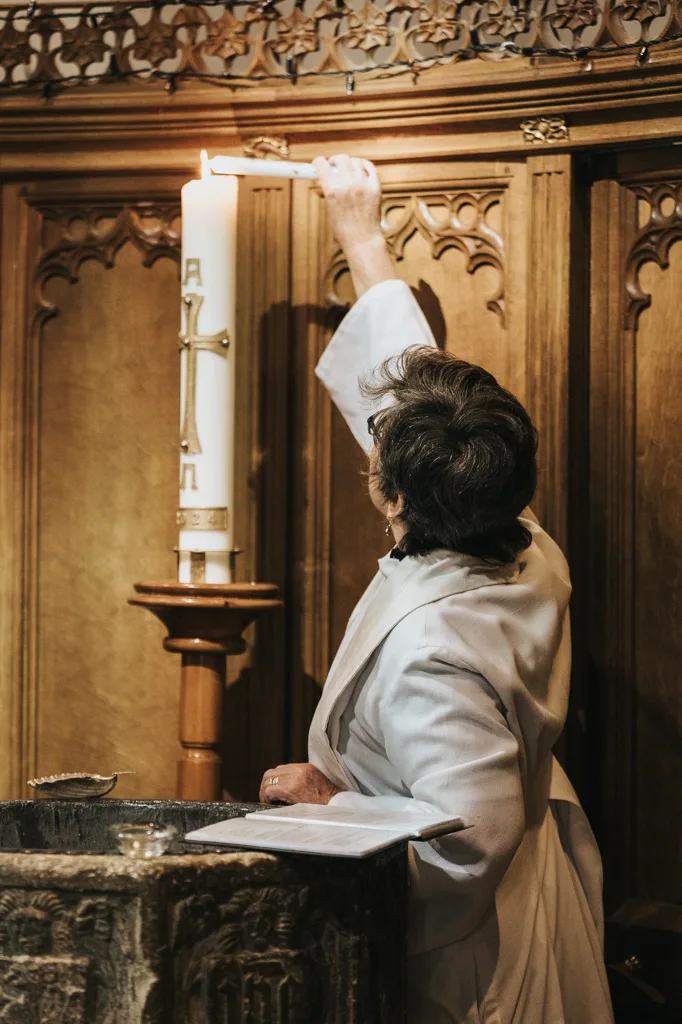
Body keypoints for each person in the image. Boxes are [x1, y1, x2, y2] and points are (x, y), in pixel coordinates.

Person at [260, 155, 614, 1024]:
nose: (366, 453)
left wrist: (330, 806)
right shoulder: (523, 539)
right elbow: (426, 391)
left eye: (376, 454)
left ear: (395, 498)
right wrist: (361, 237)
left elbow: (467, 845)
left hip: (471, 962)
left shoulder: (432, 654)